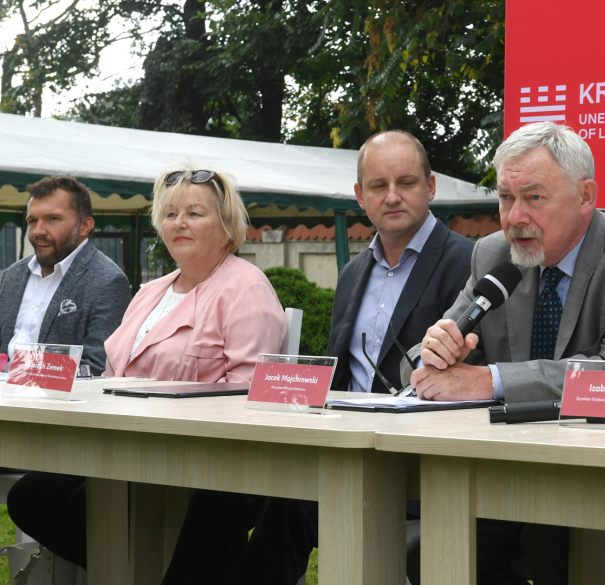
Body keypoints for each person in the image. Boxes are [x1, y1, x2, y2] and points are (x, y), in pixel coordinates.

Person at [160, 130, 474, 585]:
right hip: (342, 449)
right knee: (225, 493)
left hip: (418, 462)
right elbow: (338, 377)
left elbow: (474, 378)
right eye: (377, 186)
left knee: (288, 504)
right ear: (359, 196)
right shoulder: (351, 274)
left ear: (430, 187)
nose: (391, 197)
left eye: (405, 183)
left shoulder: (467, 261)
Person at [405, 121, 605, 585]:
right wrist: (432, 355)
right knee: (432, 552)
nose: (514, 217)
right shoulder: (494, 254)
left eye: (534, 197)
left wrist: (488, 379)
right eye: (505, 198)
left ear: (585, 196)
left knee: (557, 547)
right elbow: (426, 362)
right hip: (516, 479)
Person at [6, 163, 287, 569]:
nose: (179, 223)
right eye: (170, 214)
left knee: (93, 502)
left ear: (226, 224)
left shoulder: (247, 288)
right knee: (33, 495)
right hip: (124, 449)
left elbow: (249, 395)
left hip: (198, 458)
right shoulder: (152, 291)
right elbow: (110, 374)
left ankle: (148, 565)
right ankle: (141, 566)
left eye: (194, 213)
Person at [0, 176, 130, 375]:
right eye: (32, 220)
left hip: (52, 404)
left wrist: (19, 374)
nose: (38, 231)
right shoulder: (12, 276)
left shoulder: (107, 281)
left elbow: (97, 368)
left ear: (85, 226)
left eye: (53, 219)